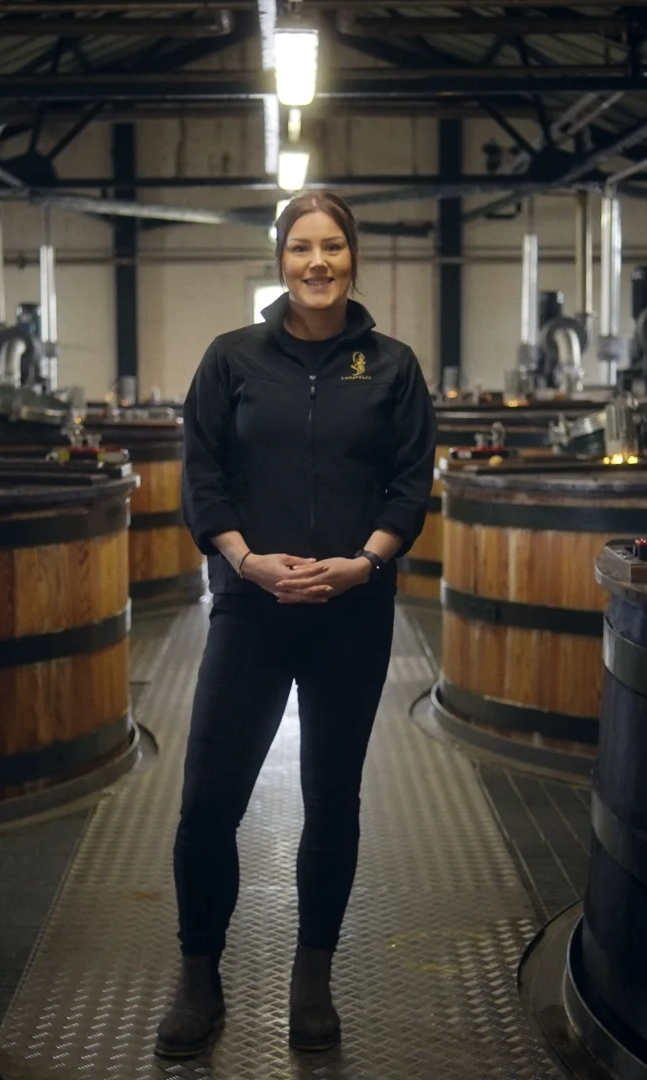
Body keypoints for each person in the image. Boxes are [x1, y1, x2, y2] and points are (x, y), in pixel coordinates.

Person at [156, 192, 437, 1058]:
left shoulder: (392, 366)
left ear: (354, 258)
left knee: (332, 799)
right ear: (281, 260)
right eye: (302, 248)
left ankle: (311, 974)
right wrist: (246, 561)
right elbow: (203, 478)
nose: (319, 263)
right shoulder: (231, 358)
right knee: (208, 803)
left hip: (352, 612)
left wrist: (365, 563)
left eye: (334, 247)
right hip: (251, 608)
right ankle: (199, 971)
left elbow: (409, 483)